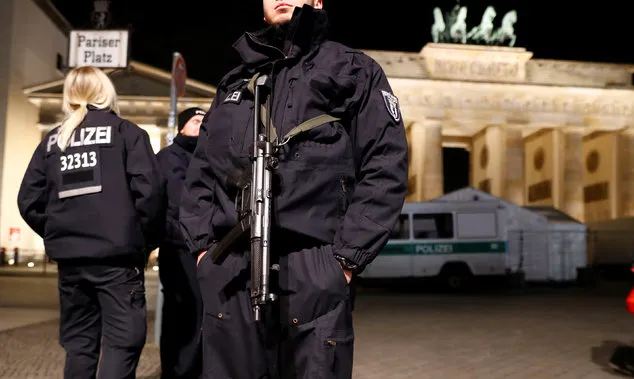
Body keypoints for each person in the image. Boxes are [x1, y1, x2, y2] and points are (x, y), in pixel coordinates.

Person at [179, 1, 408, 378]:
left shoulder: (354, 70)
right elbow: (201, 171)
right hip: (229, 269)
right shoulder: (233, 83)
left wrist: (343, 262)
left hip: (312, 265)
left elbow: (385, 165)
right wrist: (204, 252)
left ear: (317, 0)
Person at [17, 65, 166, 379]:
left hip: (71, 262)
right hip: (117, 260)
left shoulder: (53, 142)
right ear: (106, 92)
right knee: (122, 342)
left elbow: (29, 201)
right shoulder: (127, 133)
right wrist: (141, 241)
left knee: (80, 345)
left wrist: (60, 231)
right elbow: (151, 194)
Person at [156, 107, 206, 379]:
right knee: (180, 312)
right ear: (181, 128)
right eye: (196, 120)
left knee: (199, 312)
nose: (201, 125)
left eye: (204, 121)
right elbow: (165, 205)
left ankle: (194, 369)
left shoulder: (208, 157)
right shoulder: (167, 158)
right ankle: (176, 371)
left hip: (204, 249)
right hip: (178, 248)